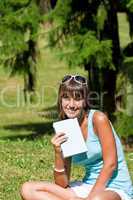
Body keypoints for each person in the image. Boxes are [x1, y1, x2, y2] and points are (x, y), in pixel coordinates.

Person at [20, 75, 133, 200]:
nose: (71, 104)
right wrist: (58, 153)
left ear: (85, 100)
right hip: (87, 186)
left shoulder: (98, 119)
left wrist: (90, 198)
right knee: (27, 189)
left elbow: (111, 165)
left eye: (77, 98)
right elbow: (62, 184)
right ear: (60, 99)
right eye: (66, 98)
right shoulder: (67, 126)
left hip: (114, 188)